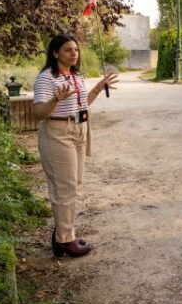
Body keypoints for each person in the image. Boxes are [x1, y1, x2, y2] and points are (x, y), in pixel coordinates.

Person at [33, 34, 118, 258]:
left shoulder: (76, 76)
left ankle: (62, 232)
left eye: (76, 50)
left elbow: (82, 104)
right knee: (65, 187)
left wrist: (98, 88)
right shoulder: (46, 78)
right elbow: (39, 113)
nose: (74, 54)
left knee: (74, 185)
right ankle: (65, 240)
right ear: (55, 53)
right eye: (68, 50)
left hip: (79, 129)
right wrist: (56, 100)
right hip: (58, 133)